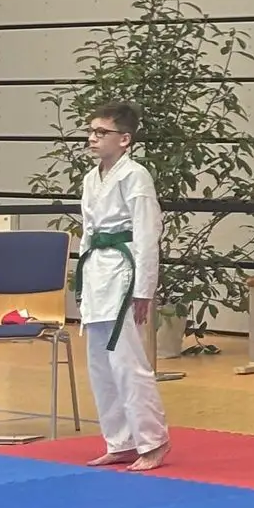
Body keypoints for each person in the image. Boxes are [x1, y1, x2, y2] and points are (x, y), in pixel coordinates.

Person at [77, 103, 169, 471]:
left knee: (128, 360)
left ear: (125, 139)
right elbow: (88, 232)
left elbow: (147, 234)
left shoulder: (135, 176)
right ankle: (120, 441)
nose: (92, 138)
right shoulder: (91, 178)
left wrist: (144, 288)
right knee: (101, 364)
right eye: (91, 131)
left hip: (124, 272)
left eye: (101, 132)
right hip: (97, 271)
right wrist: (82, 281)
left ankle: (153, 440)